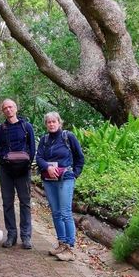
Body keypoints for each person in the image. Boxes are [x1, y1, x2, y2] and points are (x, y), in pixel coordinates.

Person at [36, 112, 85, 261]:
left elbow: (80, 157)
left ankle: (70, 248)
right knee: (56, 213)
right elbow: (38, 157)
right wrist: (47, 167)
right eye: (48, 122)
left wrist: (74, 174)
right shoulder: (44, 140)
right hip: (49, 179)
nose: (51, 124)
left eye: (54, 122)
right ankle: (61, 243)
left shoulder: (67, 137)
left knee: (65, 212)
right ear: (46, 124)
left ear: (59, 122)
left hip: (65, 178)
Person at [0, 99, 36, 249]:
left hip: (23, 170)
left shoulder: (26, 126)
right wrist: (6, 161)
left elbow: (32, 148)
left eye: (10, 107)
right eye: (5, 108)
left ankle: (26, 236)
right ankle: (11, 234)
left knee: (25, 203)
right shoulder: (0, 129)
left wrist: (26, 164)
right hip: (6, 170)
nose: (8, 110)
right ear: (3, 111)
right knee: (7, 203)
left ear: (16, 108)